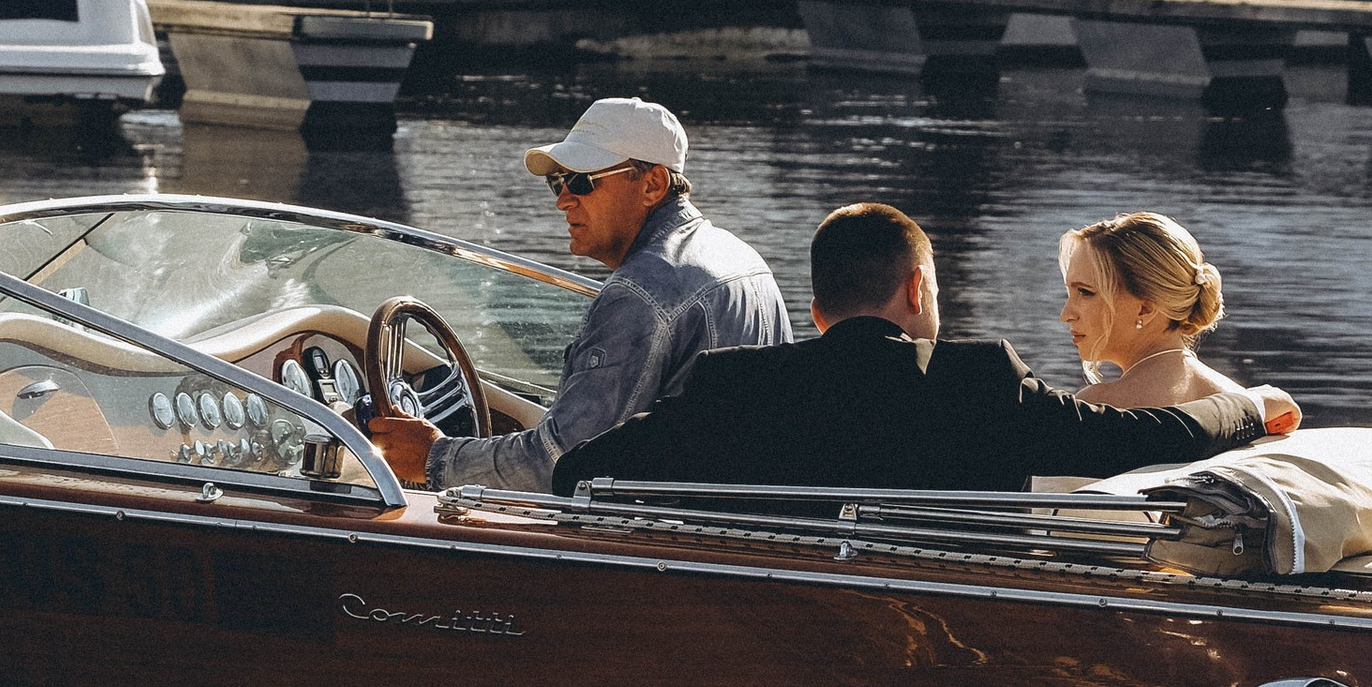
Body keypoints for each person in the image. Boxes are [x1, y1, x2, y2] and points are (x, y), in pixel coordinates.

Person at [550, 200, 1297, 495]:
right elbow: (1151, 435)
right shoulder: (983, 383)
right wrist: (1251, 408)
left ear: (814, 313)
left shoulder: (728, 386)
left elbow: (579, 471)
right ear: (916, 292)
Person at [365, 95, 788, 495]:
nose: (563, 201)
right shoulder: (744, 259)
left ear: (653, 185)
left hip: (653, 547)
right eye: (557, 183)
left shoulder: (639, 291)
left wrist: (433, 458)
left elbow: (562, 464)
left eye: (582, 182)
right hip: (720, 525)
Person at [1056, 212, 1249, 412]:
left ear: (1145, 309)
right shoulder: (1244, 401)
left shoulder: (1100, 405)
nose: (1066, 315)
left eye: (1085, 292)